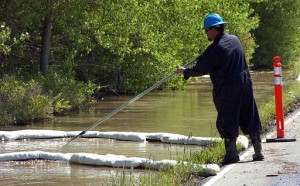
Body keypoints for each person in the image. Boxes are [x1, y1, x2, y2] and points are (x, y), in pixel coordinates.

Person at [176, 13, 264, 165]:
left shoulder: (215, 49)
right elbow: (209, 59)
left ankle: (231, 155)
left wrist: (185, 71)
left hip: (228, 89)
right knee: (249, 115)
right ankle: (258, 152)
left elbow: (199, 68)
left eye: (206, 30)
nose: (205, 34)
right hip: (246, 84)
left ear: (213, 29)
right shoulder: (235, 40)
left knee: (227, 120)